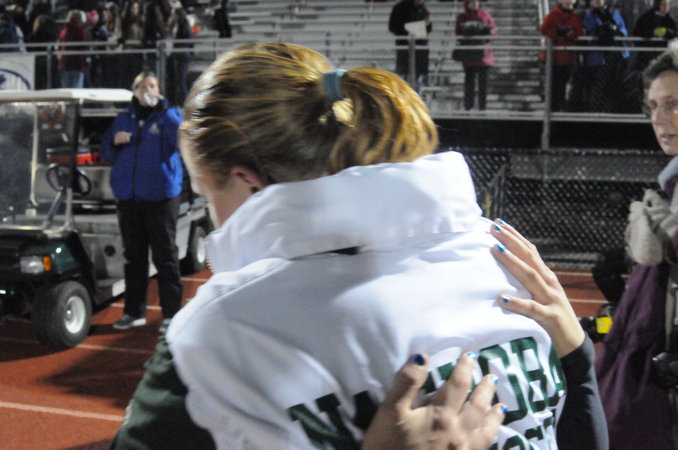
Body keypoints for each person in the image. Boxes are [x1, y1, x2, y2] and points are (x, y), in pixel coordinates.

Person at [108, 42, 601, 449]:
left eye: (206, 194)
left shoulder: (222, 331)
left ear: (247, 183)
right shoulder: (503, 257)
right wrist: (578, 368)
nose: (212, 216)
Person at [595, 49, 678, 450]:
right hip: (644, 359)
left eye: (673, 104)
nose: (659, 119)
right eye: (653, 106)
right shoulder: (669, 182)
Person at [101, 72, 184, 332]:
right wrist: (114, 141)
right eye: (142, 86)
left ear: (159, 90)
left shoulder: (168, 116)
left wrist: (164, 110)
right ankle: (134, 312)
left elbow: (182, 140)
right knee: (134, 257)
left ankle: (172, 315)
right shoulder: (124, 118)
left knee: (165, 256)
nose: (147, 90)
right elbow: (106, 151)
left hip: (160, 197)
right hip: (129, 198)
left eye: (152, 86)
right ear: (134, 91)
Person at [582, 0, 630, 112]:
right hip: (599, 56)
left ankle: (615, 111)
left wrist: (615, 31)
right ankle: (596, 111)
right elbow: (590, 30)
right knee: (598, 85)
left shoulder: (613, 12)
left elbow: (623, 30)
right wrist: (602, 30)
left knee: (615, 84)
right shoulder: (590, 15)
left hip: (615, 54)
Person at [540, 0, 584, 112]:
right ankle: (553, 112)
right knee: (553, 88)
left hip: (567, 58)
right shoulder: (553, 15)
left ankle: (562, 111)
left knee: (564, 86)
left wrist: (569, 34)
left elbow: (578, 31)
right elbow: (544, 29)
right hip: (553, 58)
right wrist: (558, 32)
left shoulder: (574, 17)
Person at [455, 0, 497, 111]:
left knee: (483, 84)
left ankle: (482, 106)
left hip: (483, 55)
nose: (474, 4)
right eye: (472, 2)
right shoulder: (462, 17)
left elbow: (493, 30)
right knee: (469, 82)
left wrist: (487, 33)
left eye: (476, 2)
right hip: (469, 54)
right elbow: (458, 32)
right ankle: (468, 106)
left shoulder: (485, 15)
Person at [388, 0, 432, 91]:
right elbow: (394, 27)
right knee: (403, 76)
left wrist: (421, 27)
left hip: (420, 49)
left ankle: (415, 96)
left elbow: (428, 28)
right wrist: (414, 29)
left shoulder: (423, 9)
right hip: (404, 47)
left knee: (417, 78)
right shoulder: (400, 8)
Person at [633, 0, 677, 73]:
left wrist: (667, 32)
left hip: (663, 54)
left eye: (667, 4)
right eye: (663, 4)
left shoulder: (670, 19)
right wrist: (652, 32)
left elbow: (675, 33)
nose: (666, 7)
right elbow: (638, 32)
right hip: (647, 54)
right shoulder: (647, 17)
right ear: (657, 5)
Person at [166, 5, 193, 106]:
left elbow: (188, 40)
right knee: (177, 80)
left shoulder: (184, 25)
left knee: (181, 81)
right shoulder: (175, 25)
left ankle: (185, 102)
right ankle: (177, 101)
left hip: (182, 56)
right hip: (176, 56)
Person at [57, 9, 89, 88]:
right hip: (77, 64)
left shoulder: (63, 31)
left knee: (66, 89)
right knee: (76, 90)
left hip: (64, 63)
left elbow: (59, 46)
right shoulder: (82, 31)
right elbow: (84, 47)